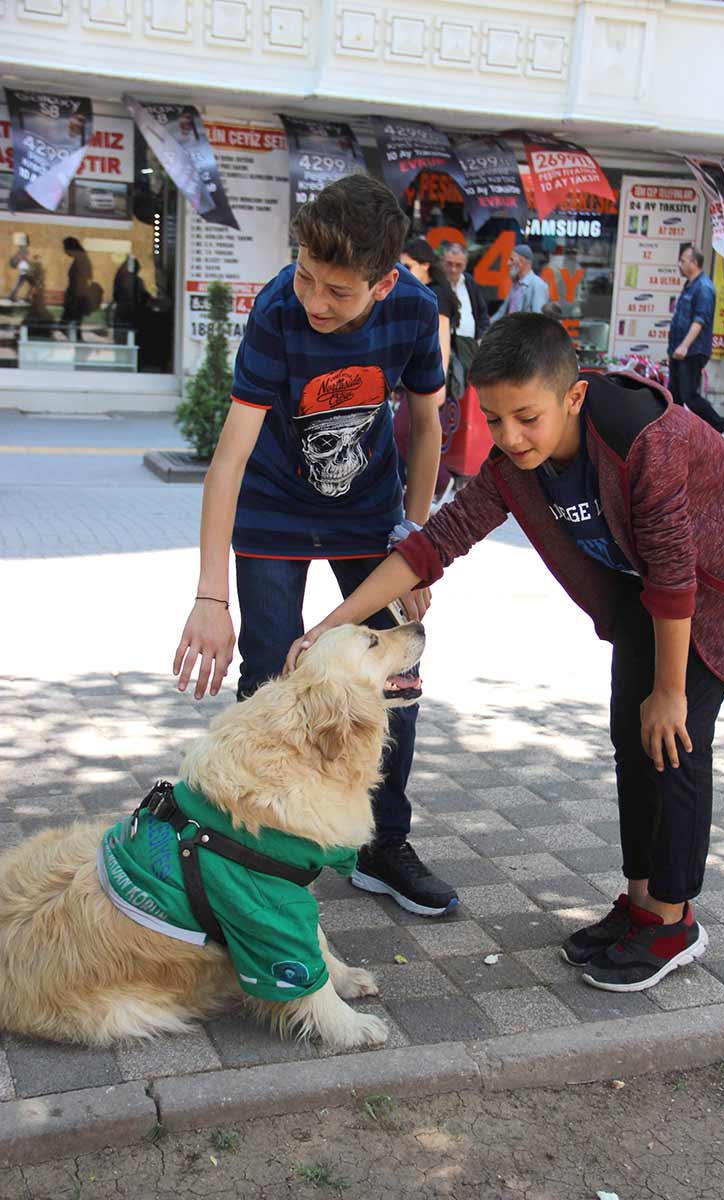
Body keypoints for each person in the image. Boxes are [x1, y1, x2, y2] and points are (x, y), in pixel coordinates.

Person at [286, 313, 724, 994]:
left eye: (526, 417)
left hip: (721, 586)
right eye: (493, 421)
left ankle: (673, 922)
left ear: (572, 397)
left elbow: (677, 573)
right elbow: (434, 545)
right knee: (630, 735)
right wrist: (329, 625)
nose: (509, 438)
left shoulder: (646, 441)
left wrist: (670, 692)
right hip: (651, 592)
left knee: (673, 740)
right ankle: (642, 905)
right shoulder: (515, 467)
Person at [172, 175, 458, 919]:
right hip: (273, 511)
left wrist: (415, 535)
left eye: (337, 290)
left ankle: (382, 847)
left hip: (371, 514)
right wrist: (210, 596)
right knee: (271, 675)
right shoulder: (277, 312)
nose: (314, 301)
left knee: (395, 674)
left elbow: (427, 424)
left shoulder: (415, 312)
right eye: (305, 276)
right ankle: (257, 846)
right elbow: (229, 456)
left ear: (385, 281)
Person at [397, 238, 460, 505]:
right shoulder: (420, 293)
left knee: (401, 432)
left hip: (430, 379)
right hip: (415, 377)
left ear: (425, 265)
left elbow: (442, 342)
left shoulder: (437, 295)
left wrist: (439, 386)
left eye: (408, 266)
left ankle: (443, 481)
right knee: (403, 432)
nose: (402, 272)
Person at [668, 246, 724, 441]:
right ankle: (676, 434)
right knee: (674, 395)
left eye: (683, 261)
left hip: (692, 351)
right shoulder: (690, 285)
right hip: (678, 350)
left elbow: (700, 321)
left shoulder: (704, 288)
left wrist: (685, 345)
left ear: (694, 263)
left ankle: (723, 425)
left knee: (690, 395)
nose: (680, 264)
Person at [442, 242, 490, 343]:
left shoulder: (470, 283)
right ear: (443, 262)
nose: (453, 269)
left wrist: (481, 338)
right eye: (449, 264)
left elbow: (482, 315)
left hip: (471, 347)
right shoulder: (436, 285)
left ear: (465, 265)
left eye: (458, 265)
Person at [491, 244, 549, 321]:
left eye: (511, 259)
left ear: (521, 262)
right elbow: (502, 312)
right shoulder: (516, 284)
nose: (508, 263)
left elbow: (538, 320)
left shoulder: (537, 285)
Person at [112, 257, 151, 347]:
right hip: (131, 313)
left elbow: (116, 295)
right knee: (130, 340)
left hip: (121, 311)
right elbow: (143, 296)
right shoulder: (135, 280)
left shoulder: (120, 278)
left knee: (120, 341)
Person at [61, 237, 93, 342]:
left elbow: (81, 281)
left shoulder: (81, 260)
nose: (64, 251)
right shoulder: (81, 258)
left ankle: (78, 345)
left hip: (77, 298)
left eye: (65, 248)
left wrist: (75, 299)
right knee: (71, 326)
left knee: (69, 325)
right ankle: (77, 344)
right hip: (76, 297)